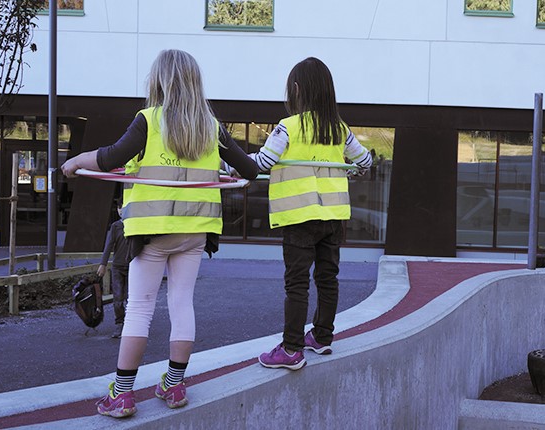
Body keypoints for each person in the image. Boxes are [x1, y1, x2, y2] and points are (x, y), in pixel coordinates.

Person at [61, 49, 259, 418]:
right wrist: (228, 171)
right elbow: (249, 169)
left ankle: (122, 394)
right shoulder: (210, 126)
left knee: (140, 307)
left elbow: (109, 158)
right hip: (195, 231)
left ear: (159, 81)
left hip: (152, 232)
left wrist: (74, 161)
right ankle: (174, 384)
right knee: (182, 302)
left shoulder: (149, 120)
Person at [251, 57, 372, 371]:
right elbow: (365, 161)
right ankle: (322, 336)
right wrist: (354, 169)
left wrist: (225, 164)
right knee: (328, 278)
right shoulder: (339, 129)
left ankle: (291, 349)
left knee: (297, 283)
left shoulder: (287, 127)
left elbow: (261, 163)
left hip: (299, 217)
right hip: (333, 217)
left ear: (296, 89)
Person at [98, 202, 129, 339]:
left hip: (132, 266)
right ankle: (119, 323)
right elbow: (109, 245)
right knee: (117, 298)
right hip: (117, 266)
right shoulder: (115, 226)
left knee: (130, 298)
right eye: (119, 208)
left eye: (124, 208)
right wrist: (103, 264)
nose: (121, 211)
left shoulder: (134, 224)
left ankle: (130, 325)